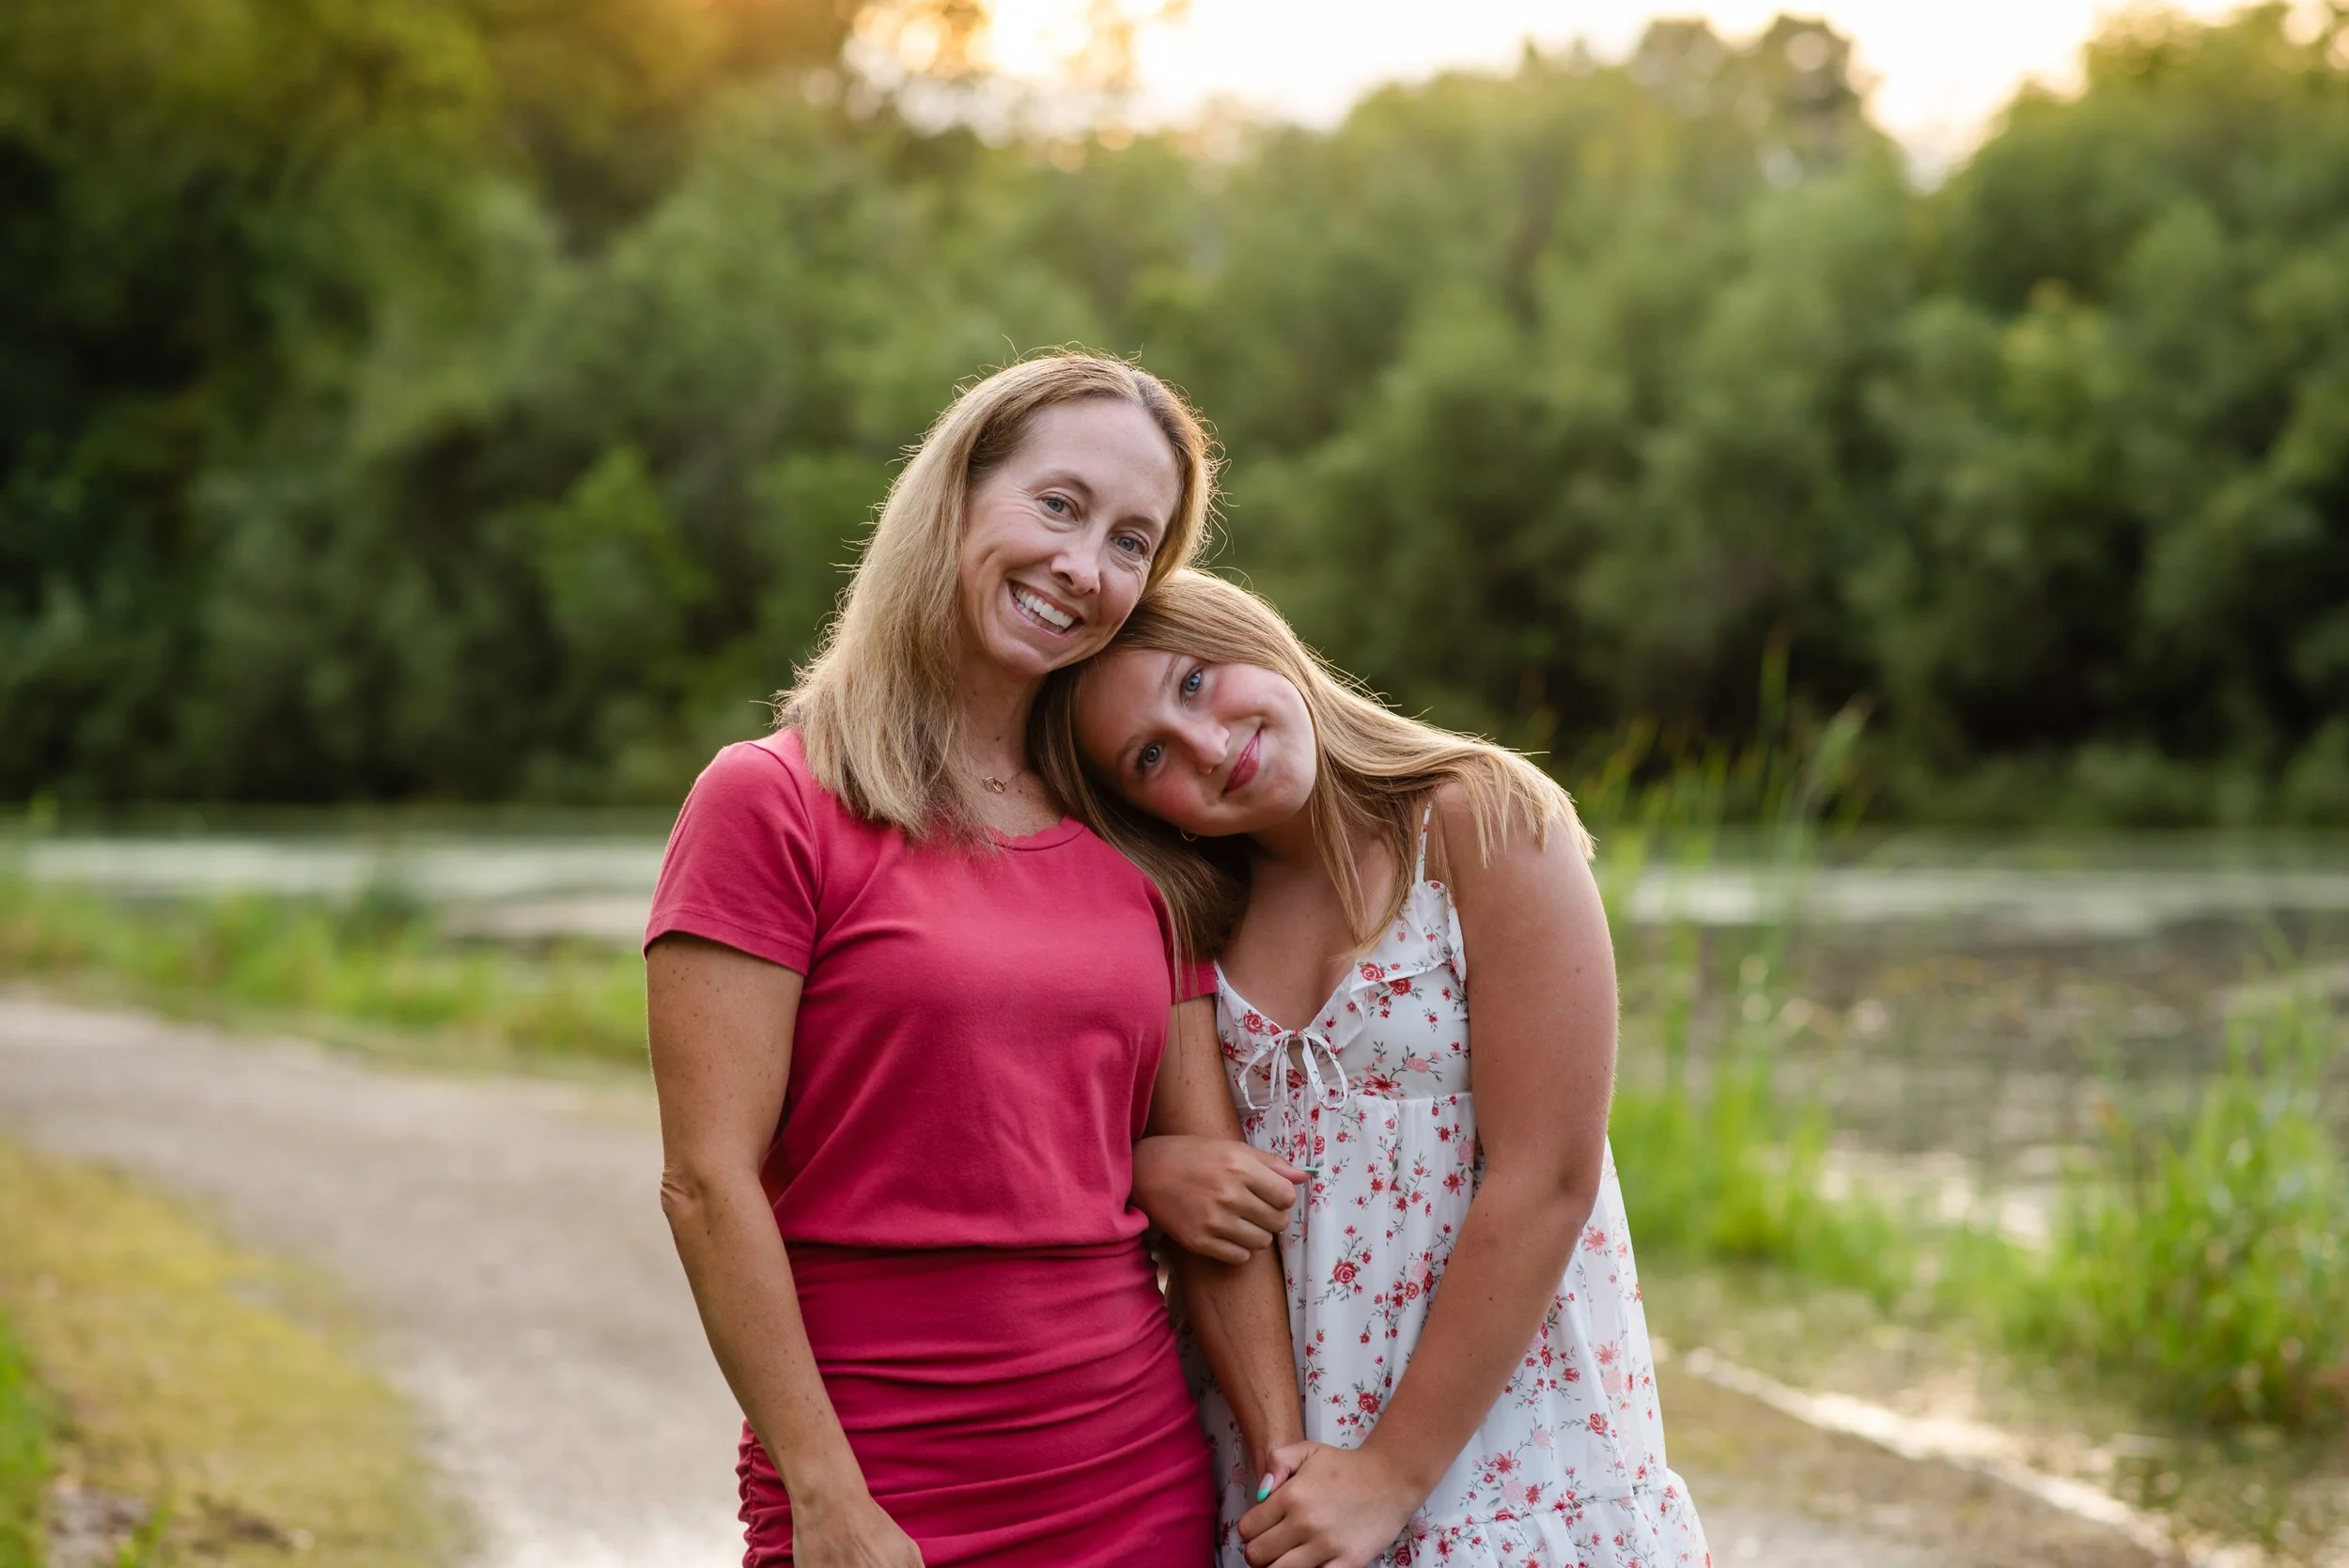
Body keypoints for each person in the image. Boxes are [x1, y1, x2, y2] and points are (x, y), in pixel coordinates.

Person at [644, 358, 1300, 1567]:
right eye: (1058, 506)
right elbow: (705, 1183)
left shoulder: (1138, 836)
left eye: (1130, 542)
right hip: (874, 1483)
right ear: (954, 495)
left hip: (1133, 1478)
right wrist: (827, 1493)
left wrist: (1282, 1470)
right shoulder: (772, 802)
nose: (1083, 565)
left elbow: (1217, 1201)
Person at [1033, 569, 1712, 1568]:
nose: (1211, 748)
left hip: (1495, 1442)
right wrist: (1144, 1169)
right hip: (1276, 1454)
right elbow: (1056, 1125)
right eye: (1150, 757)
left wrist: (1390, 1476)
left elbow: (1546, 1177)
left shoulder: (1474, 821)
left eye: (1193, 684)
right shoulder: (1188, 921)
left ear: (1249, 631)